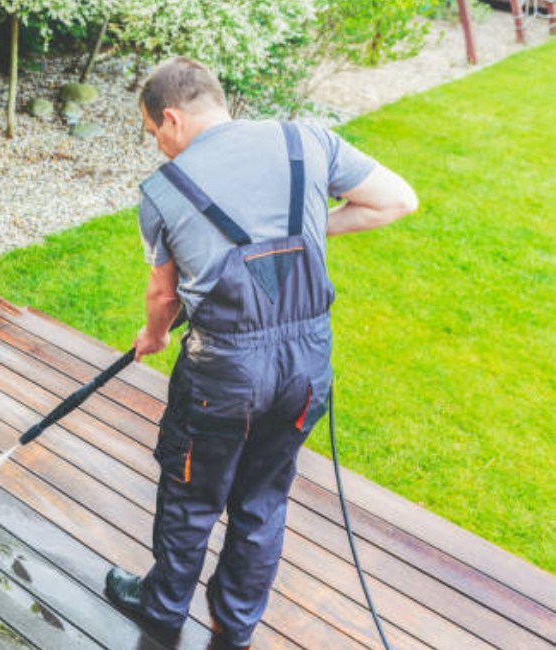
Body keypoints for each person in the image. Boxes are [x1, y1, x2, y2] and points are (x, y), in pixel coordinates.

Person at [103, 57, 418, 649]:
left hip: (222, 374)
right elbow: (396, 200)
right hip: (306, 368)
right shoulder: (308, 142)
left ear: (172, 118)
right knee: (263, 497)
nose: (158, 147)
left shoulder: (162, 191)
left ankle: (163, 608)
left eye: (153, 133)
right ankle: (235, 626)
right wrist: (306, 229)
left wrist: (155, 335)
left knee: (192, 495)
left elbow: (163, 295)